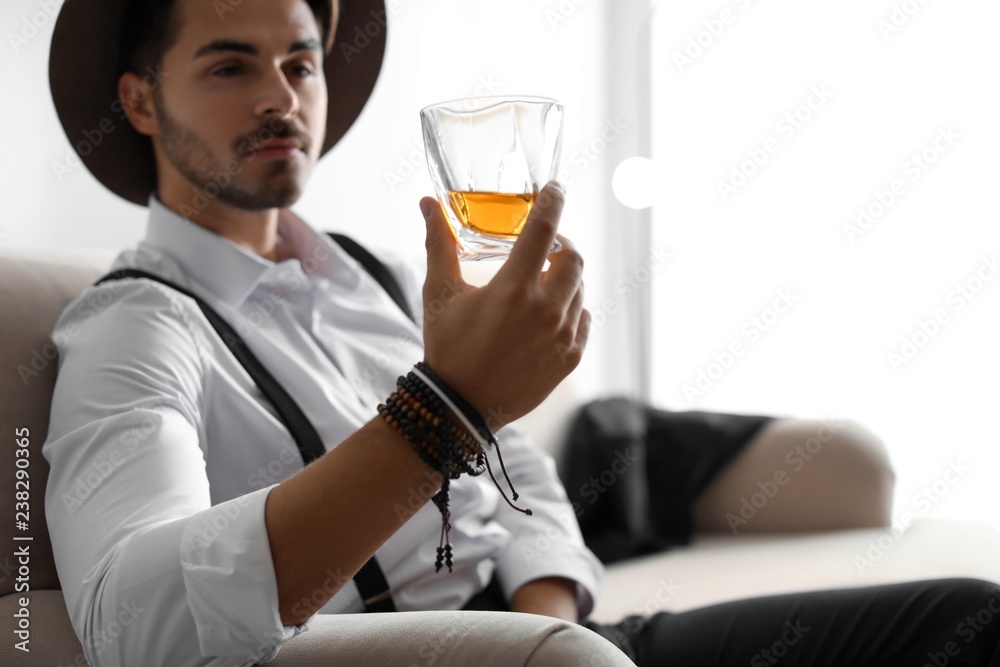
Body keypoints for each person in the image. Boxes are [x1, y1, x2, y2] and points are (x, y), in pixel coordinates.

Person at [40, 0, 1000, 665]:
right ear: (137, 102)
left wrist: (548, 627)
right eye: (229, 62)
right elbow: (135, 621)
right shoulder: (135, 326)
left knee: (964, 618)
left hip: (562, 644)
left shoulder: (375, 275)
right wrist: (442, 410)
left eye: (300, 61)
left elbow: (517, 472)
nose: (282, 96)